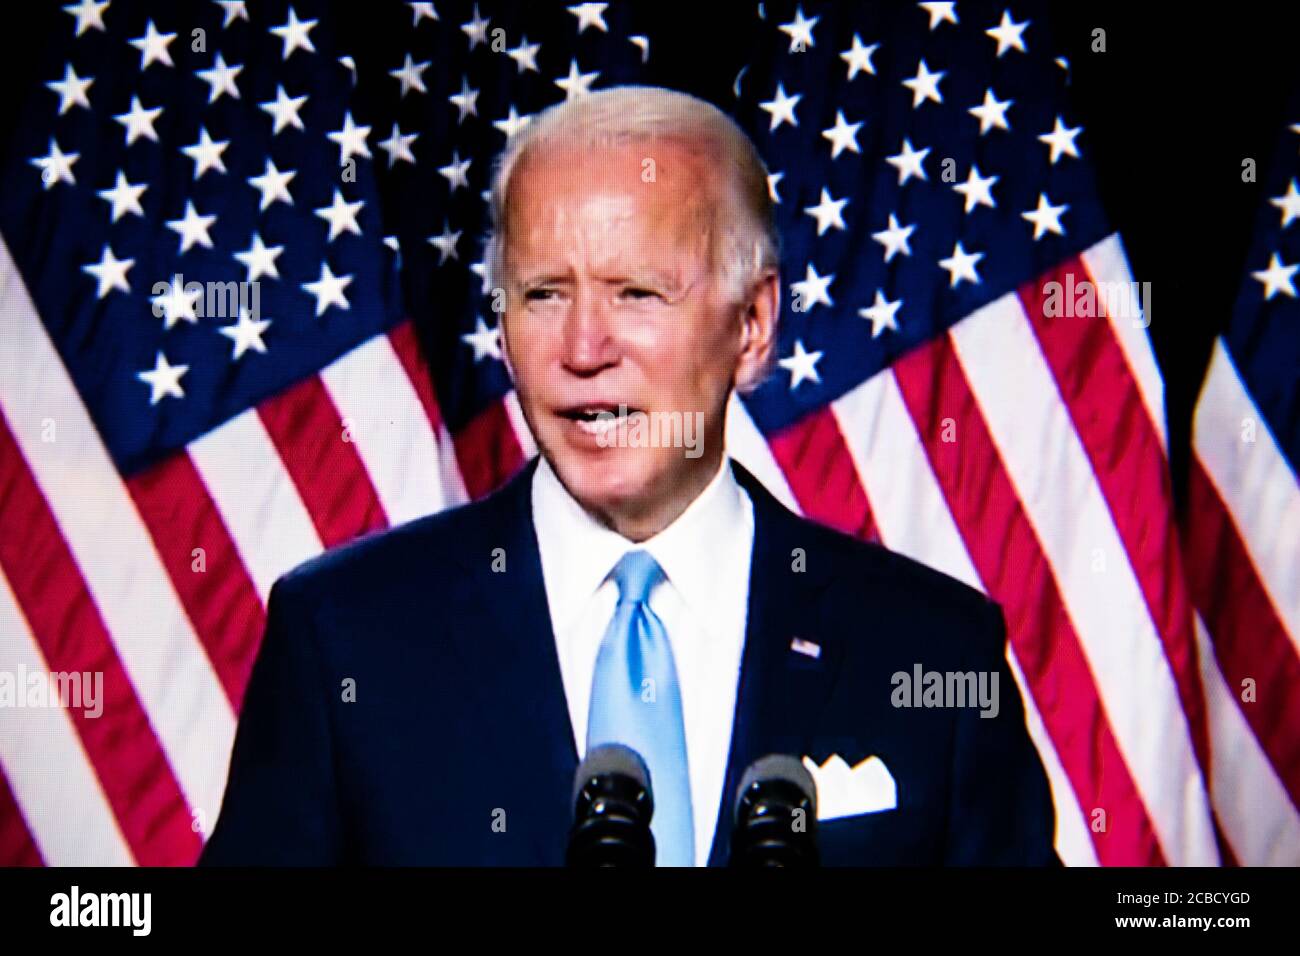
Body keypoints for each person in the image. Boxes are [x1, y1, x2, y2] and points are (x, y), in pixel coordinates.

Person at [200, 85, 1058, 866]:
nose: (583, 349)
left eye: (637, 293)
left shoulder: (931, 650)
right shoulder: (344, 638)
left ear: (753, 324)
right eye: (542, 294)